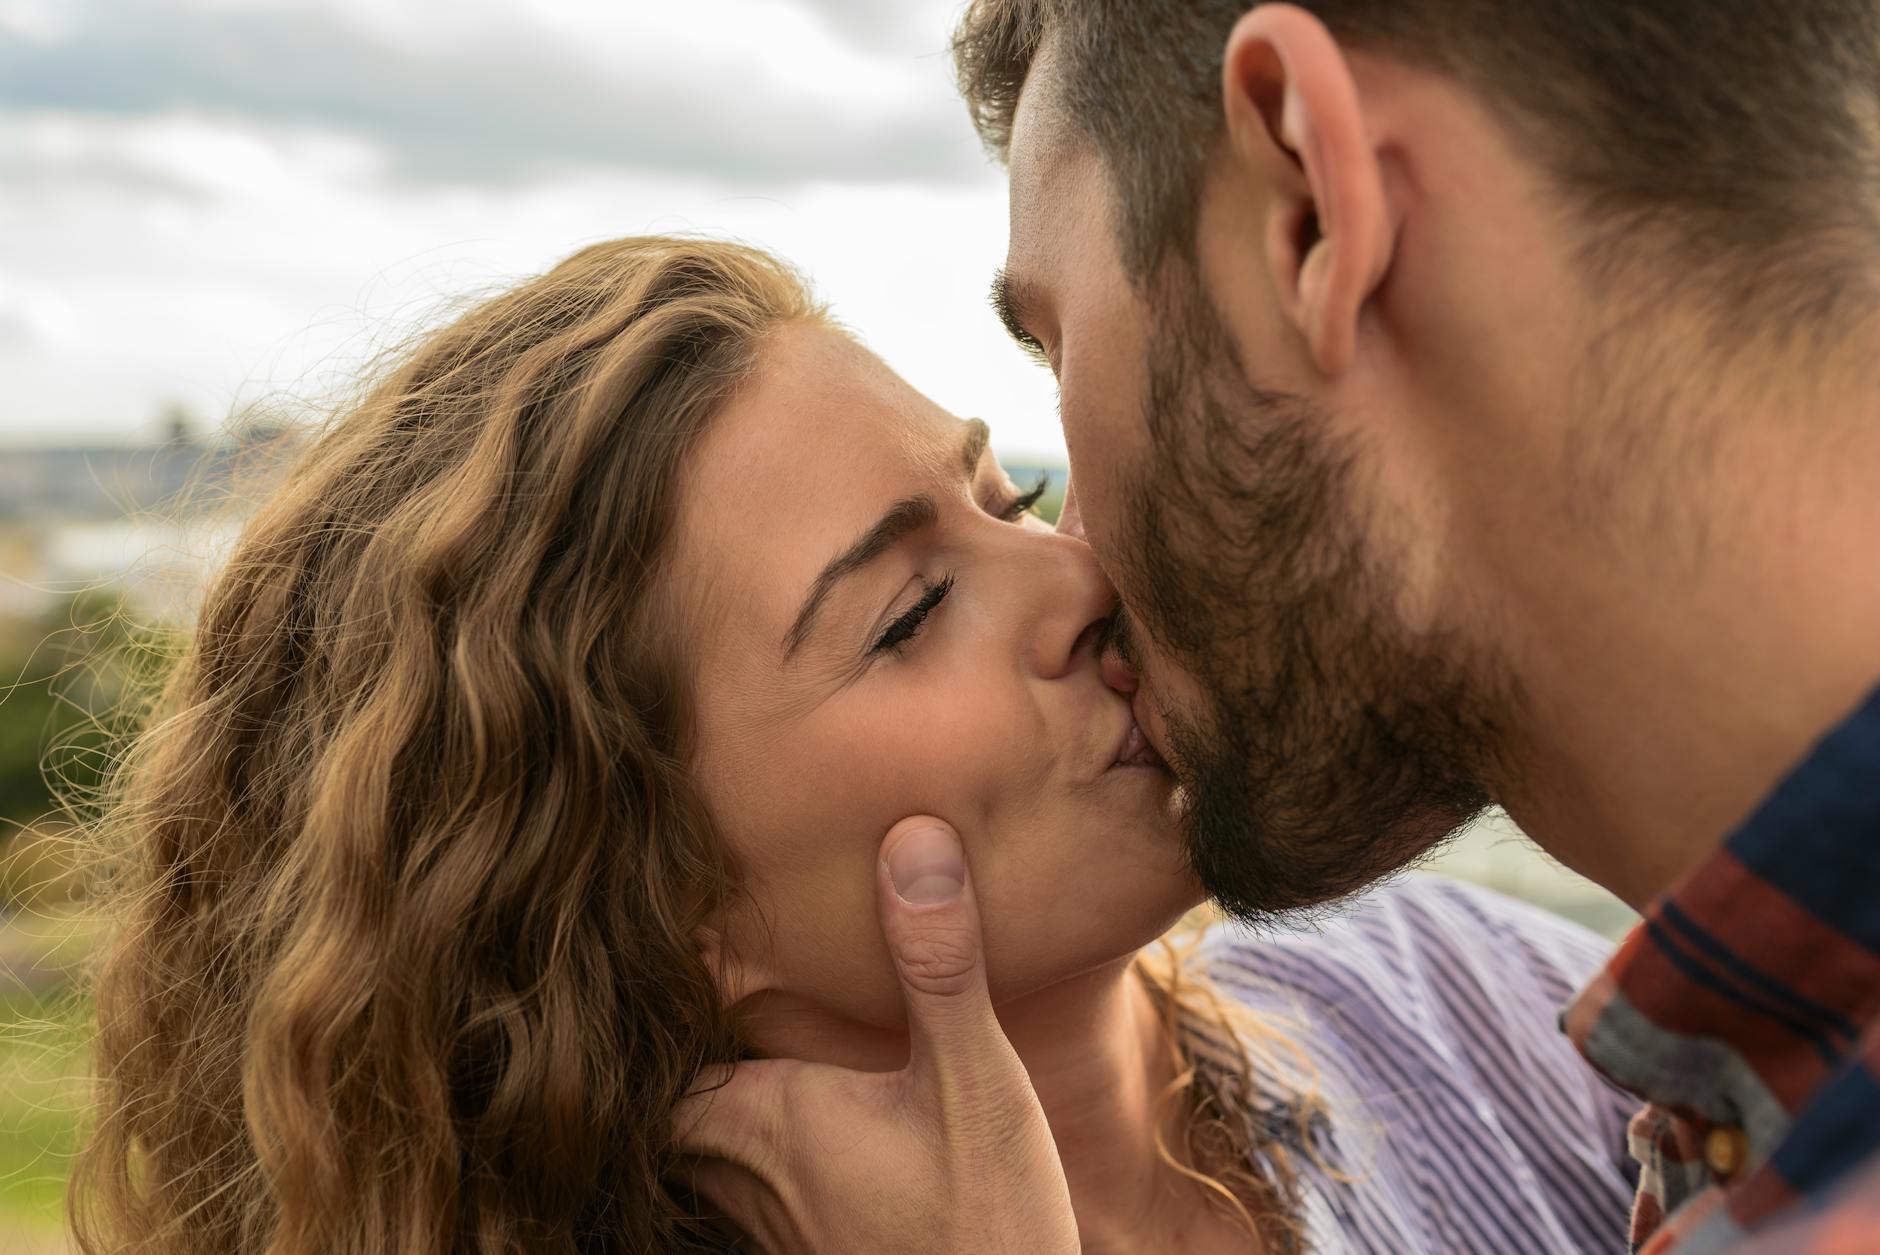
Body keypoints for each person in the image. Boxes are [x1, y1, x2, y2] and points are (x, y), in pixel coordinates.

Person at [71, 236, 1635, 1254]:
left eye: (1003, 497)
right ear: (654, 900)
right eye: (906, 613)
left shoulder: (1473, 1000)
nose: (1084, 575)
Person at [687, 1, 1880, 1252]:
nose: (1079, 551)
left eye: (1059, 345)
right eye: (916, 608)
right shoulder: (1722, 1101)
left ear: (1310, 204)